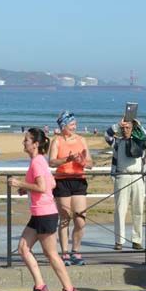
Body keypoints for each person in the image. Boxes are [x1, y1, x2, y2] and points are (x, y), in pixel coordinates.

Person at [8, 128, 78, 291]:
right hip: (38, 213)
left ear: (35, 144)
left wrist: (19, 183)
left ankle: (69, 290)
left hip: (45, 213)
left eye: (26, 140)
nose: (23, 142)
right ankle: (40, 287)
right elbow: (52, 183)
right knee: (23, 248)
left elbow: (43, 187)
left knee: (51, 254)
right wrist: (26, 188)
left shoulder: (37, 162)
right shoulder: (39, 161)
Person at [48, 111, 92, 265]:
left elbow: (91, 164)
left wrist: (82, 161)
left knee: (80, 219)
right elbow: (51, 162)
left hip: (79, 180)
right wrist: (68, 159)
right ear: (63, 126)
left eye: (75, 124)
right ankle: (65, 252)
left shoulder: (81, 140)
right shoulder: (57, 141)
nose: (75, 127)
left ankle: (76, 250)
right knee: (65, 218)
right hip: (62, 181)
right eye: (72, 124)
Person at [104, 117, 146, 251]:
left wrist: (140, 126)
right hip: (122, 176)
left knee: (138, 209)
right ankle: (119, 240)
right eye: (123, 128)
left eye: (128, 127)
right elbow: (107, 135)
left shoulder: (139, 141)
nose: (125, 130)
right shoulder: (117, 142)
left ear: (133, 129)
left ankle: (137, 240)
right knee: (120, 210)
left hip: (137, 177)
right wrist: (117, 125)